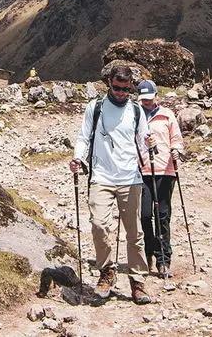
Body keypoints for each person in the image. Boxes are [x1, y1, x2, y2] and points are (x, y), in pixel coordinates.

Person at [70, 65, 154, 304]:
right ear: (109, 83)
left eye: (125, 89)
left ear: (130, 87)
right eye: (116, 88)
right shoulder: (95, 107)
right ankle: (107, 271)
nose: (120, 93)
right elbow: (83, 136)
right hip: (101, 177)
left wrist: (149, 142)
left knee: (135, 232)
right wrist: (77, 157)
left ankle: (138, 281)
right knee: (98, 224)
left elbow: (143, 141)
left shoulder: (136, 110)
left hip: (130, 178)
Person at [136, 80, 184, 277]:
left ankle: (163, 258)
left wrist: (176, 151)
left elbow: (177, 139)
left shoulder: (167, 115)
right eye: (143, 99)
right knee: (146, 215)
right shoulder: (134, 115)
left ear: (156, 96)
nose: (147, 102)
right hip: (141, 170)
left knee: (162, 215)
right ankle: (148, 253)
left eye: (150, 98)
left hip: (165, 169)